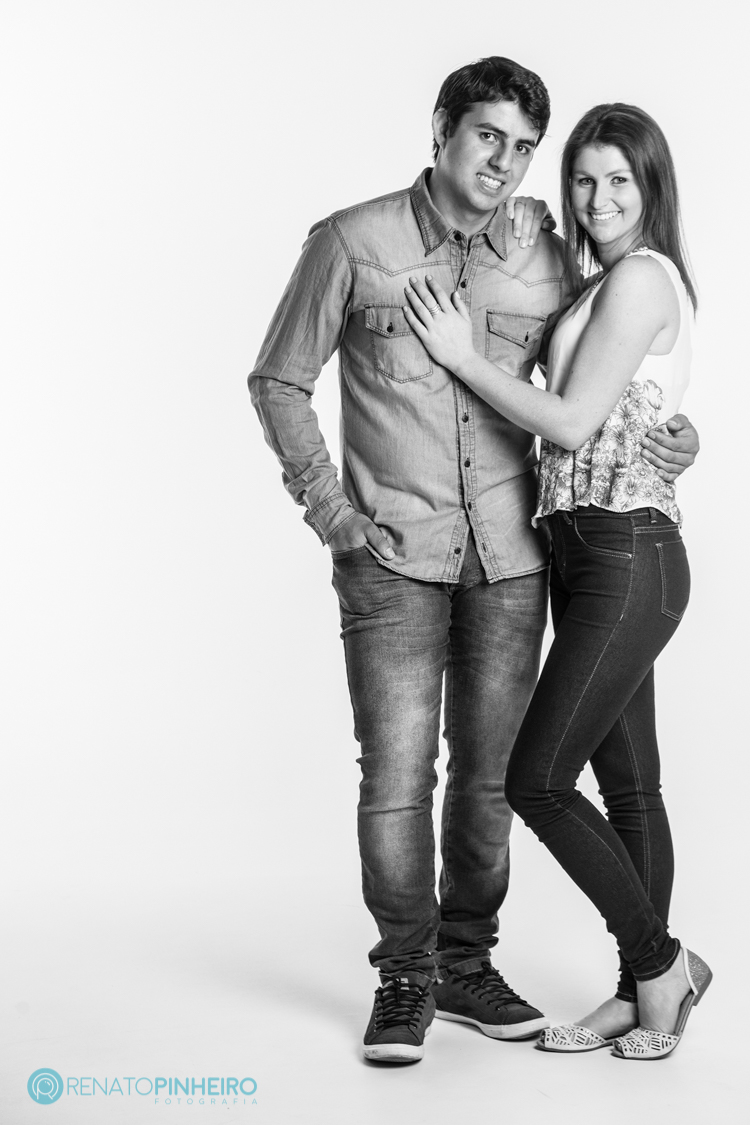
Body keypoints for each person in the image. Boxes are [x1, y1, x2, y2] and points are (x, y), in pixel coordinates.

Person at [249, 58, 699, 1064]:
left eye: (524, 147)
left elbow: (611, 377)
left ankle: (468, 961)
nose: (505, 162)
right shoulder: (350, 242)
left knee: (498, 779)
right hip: (390, 553)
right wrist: (333, 514)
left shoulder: (547, 251)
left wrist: (682, 434)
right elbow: (278, 380)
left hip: (514, 557)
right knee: (397, 778)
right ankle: (406, 974)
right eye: (488, 135)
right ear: (443, 129)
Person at [402, 101, 710, 1061]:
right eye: (583, 178)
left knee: (536, 779)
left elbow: (571, 422)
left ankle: (662, 964)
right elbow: (623, 411)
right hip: (582, 548)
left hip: (628, 551)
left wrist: (459, 356)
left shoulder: (643, 277)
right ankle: (641, 993)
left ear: (651, 188)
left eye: (620, 180)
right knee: (630, 787)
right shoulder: (594, 285)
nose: (598, 198)